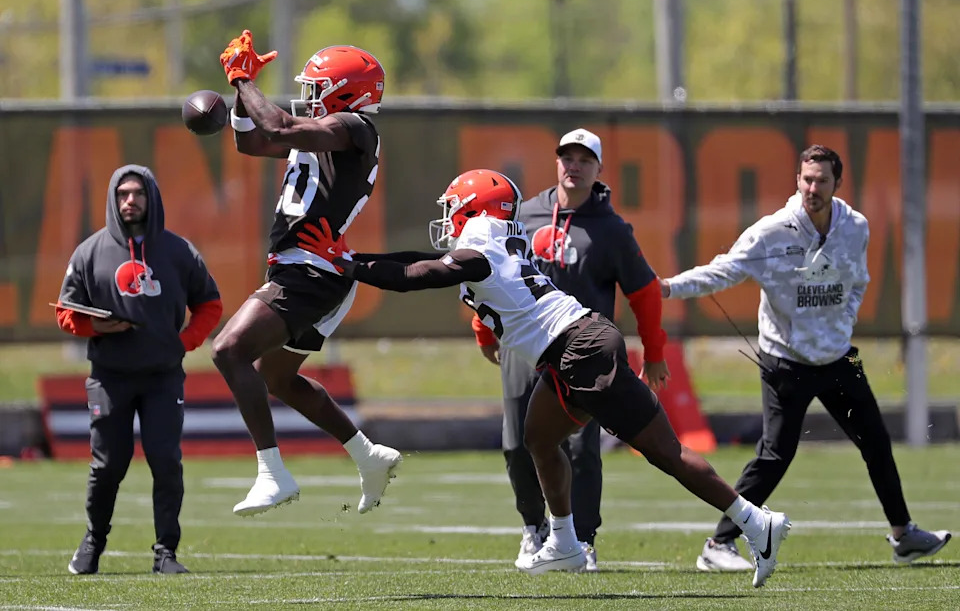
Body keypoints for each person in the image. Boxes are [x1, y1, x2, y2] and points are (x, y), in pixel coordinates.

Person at [295, 168, 791, 588]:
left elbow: (420, 276)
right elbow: (419, 263)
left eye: (454, 207)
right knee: (539, 437)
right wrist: (356, 260)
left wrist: (347, 263)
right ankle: (566, 542)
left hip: (580, 348)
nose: (447, 217)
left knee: (665, 452)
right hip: (572, 349)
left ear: (474, 209)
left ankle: (753, 521)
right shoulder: (490, 240)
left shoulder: (480, 244)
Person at [660, 145, 952, 571]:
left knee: (876, 441)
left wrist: (845, 320)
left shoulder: (855, 226)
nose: (812, 188)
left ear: (838, 184)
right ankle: (718, 545)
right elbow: (722, 270)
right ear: (797, 179)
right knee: (776, 455)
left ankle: (904, 535)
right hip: (786, 361)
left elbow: (858, 281)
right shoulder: (773, 231)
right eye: (806, 179)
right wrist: (668, 287)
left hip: (838, 358)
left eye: (821, 181)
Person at [212, 30, 402, 517]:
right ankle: (367, 454)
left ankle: (272, 473)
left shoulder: (355, 128)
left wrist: (243, 77)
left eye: (318, 88)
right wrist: (240, 92)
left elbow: (275, 127)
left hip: (309, 272)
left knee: (230, 350)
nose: (310, 97)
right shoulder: (323, 133)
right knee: (276, 377)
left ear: (346, 91)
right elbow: (252, 142)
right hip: (314, 271)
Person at [469, 129, 669, 571]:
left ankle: (582, 537)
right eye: (566, 157)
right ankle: (534, 529)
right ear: (556, 161)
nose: (573, 166)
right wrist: (484, 330)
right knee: (516, 443)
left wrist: (653, 351)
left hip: (581, 351)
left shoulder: (612, 229)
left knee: (581, 448)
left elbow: (644, 291)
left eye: (584, 159)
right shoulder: (526, 214)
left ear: (599, 168)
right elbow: (491, 273)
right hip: (524, 345)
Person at [56, 165, 223, 575]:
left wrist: (183, 342)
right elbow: (65, 312)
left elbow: (210, 304)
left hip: (163, 377)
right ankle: (93, 542)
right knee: (109, 464)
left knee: (166, 460)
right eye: (122, 194)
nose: (130, 201)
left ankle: (166, 553)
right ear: (113, 200)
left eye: (138, 193)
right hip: (109, 376)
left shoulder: (179, 251)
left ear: (152, 197)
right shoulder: (89, 251)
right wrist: (96, 326)